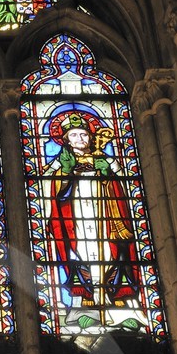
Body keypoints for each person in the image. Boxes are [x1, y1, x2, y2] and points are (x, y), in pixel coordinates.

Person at [43, 107, 141, 319]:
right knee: (80, 253)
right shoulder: (62, 161)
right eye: (74, 135)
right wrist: (66, 172)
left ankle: (114, 301)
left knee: (109, 250)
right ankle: (87, 300)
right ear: (66, 139)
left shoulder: (104, 159)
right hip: (76, 217)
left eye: (84, 134)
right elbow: (48, 186)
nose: (80, 138)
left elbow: (123, 185)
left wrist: (106, 172)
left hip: (105, 217)